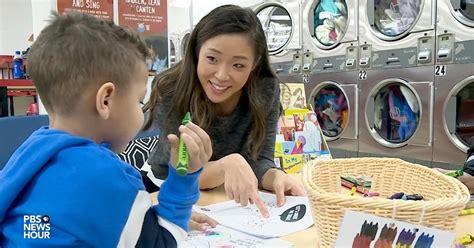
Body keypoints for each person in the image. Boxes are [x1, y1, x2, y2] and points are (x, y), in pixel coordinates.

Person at [0, 12, 214, 247]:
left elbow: (57, 221)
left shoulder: (29, 152)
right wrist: (183, 179)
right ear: (106, 100)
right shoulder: (109, 177)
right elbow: (162, 243)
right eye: (138, 101)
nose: (140, 111)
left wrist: (140, 217)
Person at [143, 5, 305, 217]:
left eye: (238, 65)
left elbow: (260, 158)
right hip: (165, 188)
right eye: (212, 59)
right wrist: (226, 166)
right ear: (196, 51)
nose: (221, 75)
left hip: (225, 199)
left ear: (254, 64)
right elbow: (180, 169)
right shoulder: (171, 88)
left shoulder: (265, 88)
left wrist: (273, 176)